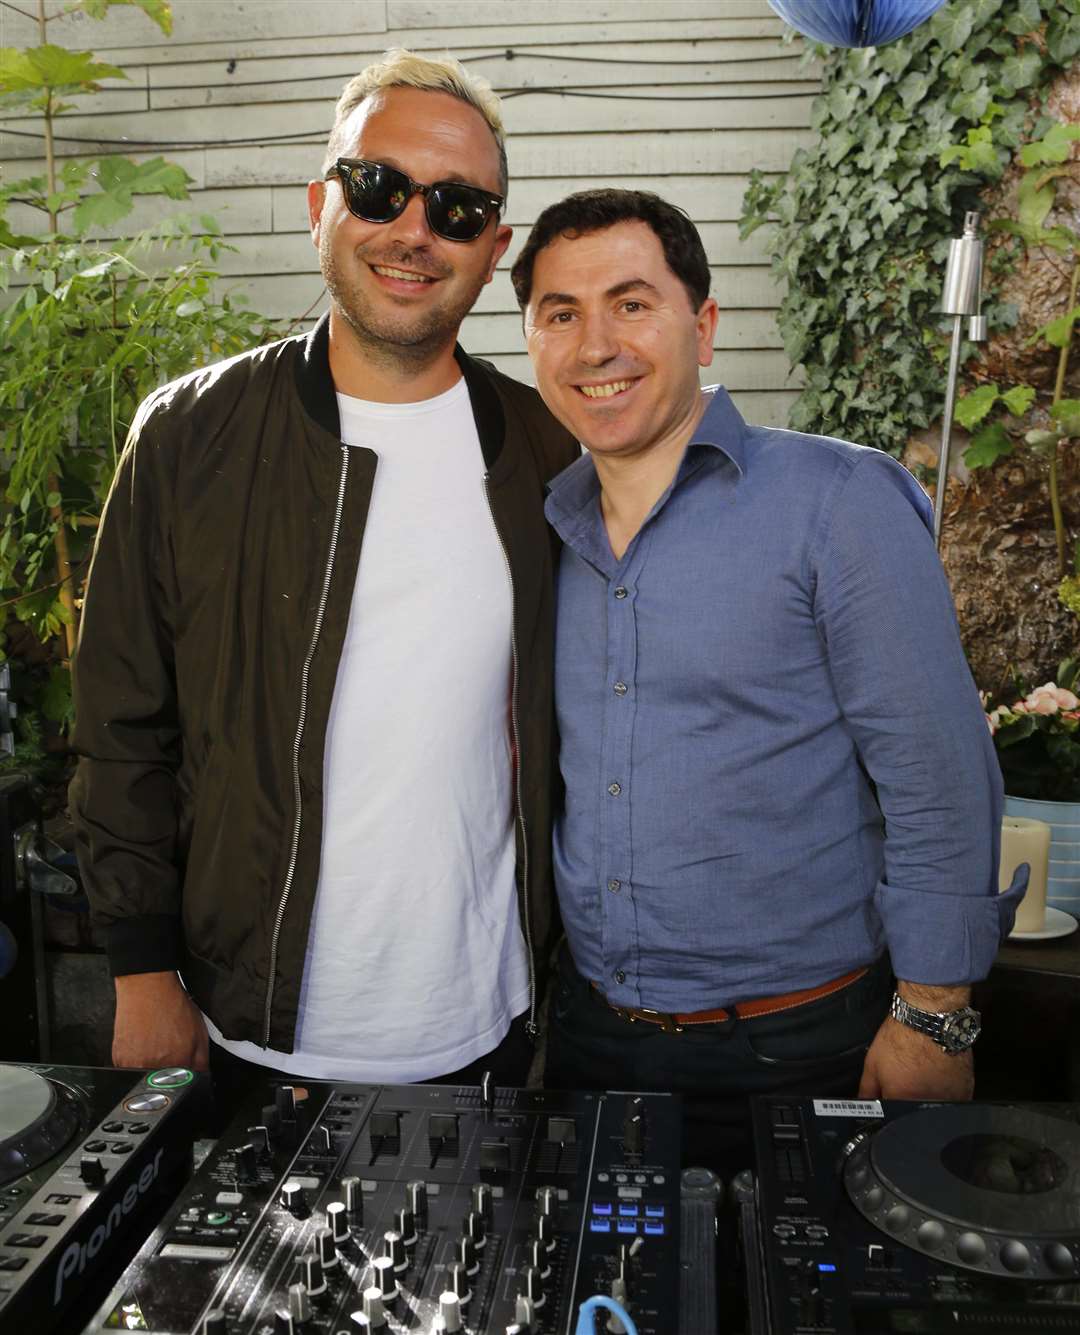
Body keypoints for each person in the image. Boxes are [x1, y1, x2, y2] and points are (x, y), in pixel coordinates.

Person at [69, 50, 578, 1107]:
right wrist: (139, 964)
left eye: (456, 206)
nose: (412, 230)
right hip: (243, 1023)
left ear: (495, 246)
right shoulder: (189, 438)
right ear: (321, 203)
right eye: (381, 187)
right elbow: (123, 726)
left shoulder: (548, 454)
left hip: (488, 1028)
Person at [510, 189, 1025, 1172]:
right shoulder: (544, 530)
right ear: (531, 338)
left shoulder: (836, 504)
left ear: (703, 325)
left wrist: (937, 1016)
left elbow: (939, 773)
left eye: (632, 304)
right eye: (560, 314)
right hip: (589, 1045)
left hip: (803, 1051)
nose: (595, 345)